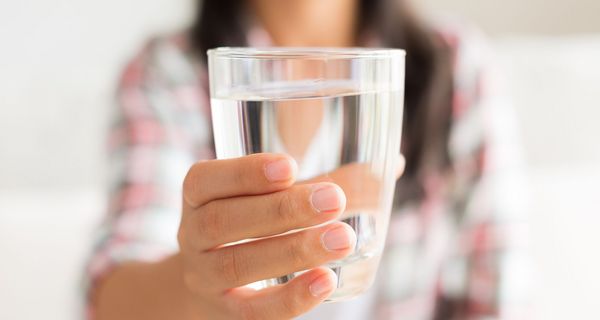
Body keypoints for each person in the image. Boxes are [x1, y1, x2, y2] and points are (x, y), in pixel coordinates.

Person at [84, 0, 527, 319]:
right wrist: (195, 285)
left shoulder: (454, 66)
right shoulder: (167, 72)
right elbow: (117, 287)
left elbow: (498, 297)